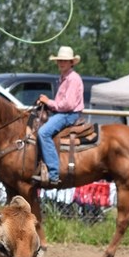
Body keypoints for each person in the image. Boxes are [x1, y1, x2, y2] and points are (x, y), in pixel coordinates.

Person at [31, 45, 84, 188]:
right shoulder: (64, 78)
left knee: (43, 132)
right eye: (60, 60)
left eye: (64, 61)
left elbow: (68, 104)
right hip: (63, 112)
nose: (61, 63)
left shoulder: (72, 79)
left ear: (71, 62)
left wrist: (48, 102)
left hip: (68, 114)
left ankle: (54, 173)